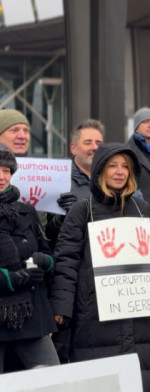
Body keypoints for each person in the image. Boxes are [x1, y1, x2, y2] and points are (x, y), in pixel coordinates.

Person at [50, 143, 150, 391]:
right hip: (93, 315)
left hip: (136, 313)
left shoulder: (143, 212)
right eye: (112, 166)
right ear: (100, 171)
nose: (120, 172)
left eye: (125, 167)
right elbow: (66, 262)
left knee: (140, 377)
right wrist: (62, 308)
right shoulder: (82, 211)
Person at [0, 144, 59, 373]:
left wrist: (43, 262)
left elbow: (47, 252)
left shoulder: (27, 211)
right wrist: (10, 279)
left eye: (7, 170)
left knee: (53, 382)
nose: (2, 176)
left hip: (31, 318)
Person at [46, 119, 105, 250]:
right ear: (73, 148)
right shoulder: (58, 181)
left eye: (98, 143)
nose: (95, 147)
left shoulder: (113, 179)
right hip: (74, 259)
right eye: (88, 142)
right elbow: (48, 234)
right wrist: (63, 217)